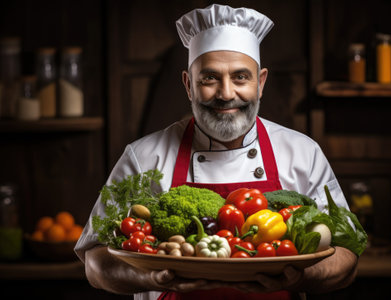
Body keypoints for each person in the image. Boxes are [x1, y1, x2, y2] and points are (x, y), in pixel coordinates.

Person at [75, 4, 358, 300]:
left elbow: (347, 257)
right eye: (209, 78)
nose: (225, 93)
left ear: (260, 83)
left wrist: (300, 277)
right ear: (188, 85)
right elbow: (95, 264)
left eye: (240, 77)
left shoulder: (303, 153)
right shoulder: (143, 156)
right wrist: (152, 278)